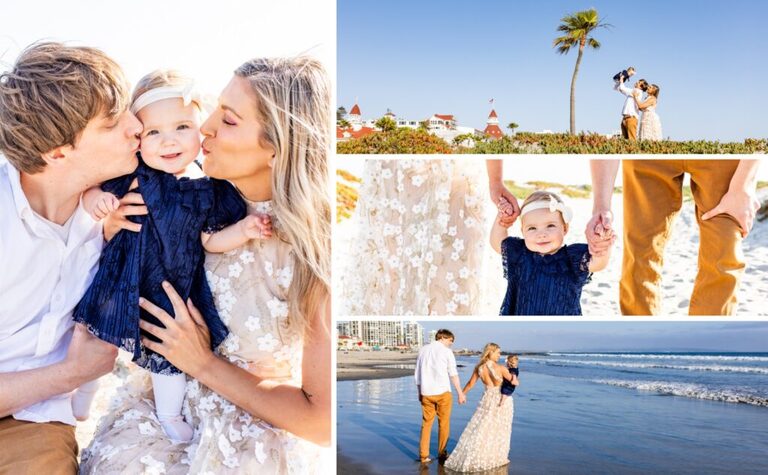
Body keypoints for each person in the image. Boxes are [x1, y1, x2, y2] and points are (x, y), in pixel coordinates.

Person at [80, 56, 332, 473]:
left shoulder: (313, 247)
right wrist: (108, 225)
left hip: (252, 436)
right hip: (158, 409)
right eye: (214, 110)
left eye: (228, 119)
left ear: (277, 146)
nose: (207, 127)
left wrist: (201, 363)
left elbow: (321, 422)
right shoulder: (182, 196)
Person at [71, 70, 272, 441]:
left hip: (170, 286)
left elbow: (211, 240)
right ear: (137, 139)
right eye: (153, 132)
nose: (169, 141)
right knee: (97, 335)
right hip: (124, 273)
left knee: (166, 355)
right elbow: (88, 188)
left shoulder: (207, 188)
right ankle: (83, 390)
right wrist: (96, 200)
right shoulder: (135, 174)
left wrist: (243, 230)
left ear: (200, 128)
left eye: (182, 127)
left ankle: (169, 414)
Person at [0, 42, 139, 473]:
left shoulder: (118, 203)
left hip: (34, 425)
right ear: (58, 153)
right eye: (113, 122)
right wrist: (73, 373)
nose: (137, 126)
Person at [340, 159, 518, 315]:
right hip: (397, 174)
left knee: (455, 272)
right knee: (393, 273)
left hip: (457, 176)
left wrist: (496, 181)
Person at [587, 159, 761, 315]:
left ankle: (707, 338)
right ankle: (643, 337)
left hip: (724, 156)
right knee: (638, 261)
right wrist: (601, 207)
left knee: (723, 258)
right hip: (648, 152)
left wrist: (744, 185)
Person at [491, 191, 613, 315]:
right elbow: (497, 242)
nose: (541, 234)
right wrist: (502, 219)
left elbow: (597, 264)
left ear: (565, 228)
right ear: (523, 232)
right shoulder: (519, 254)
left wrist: (602, 245)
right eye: (532, 228)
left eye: (550, 226)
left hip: (561, 325)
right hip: (522, 323)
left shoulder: (572, 258)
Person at [444, 343, 517, 473]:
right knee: (498, 429)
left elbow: (470, 383)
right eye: (498, 352)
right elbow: (514, 382)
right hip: (502, 400)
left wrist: (462, 394)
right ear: (490, 352)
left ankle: (479, 453)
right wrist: (515, 370)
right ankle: (494, 456)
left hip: (487, 398)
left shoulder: (479, 368)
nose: (499, 355)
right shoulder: (500, 368)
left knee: (482, 426)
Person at [414, 328, 466, 465]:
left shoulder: (423, 350)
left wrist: (419, 392)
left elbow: (417, 374)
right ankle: (442, 453)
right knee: (443, 424)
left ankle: (423, 456)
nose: (451, 343)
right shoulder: (446, 352)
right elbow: (453, 373)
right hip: (443, 392)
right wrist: (460, 393)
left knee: (426, 424)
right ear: (442, 337)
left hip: (426, 392)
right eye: (450, 340)